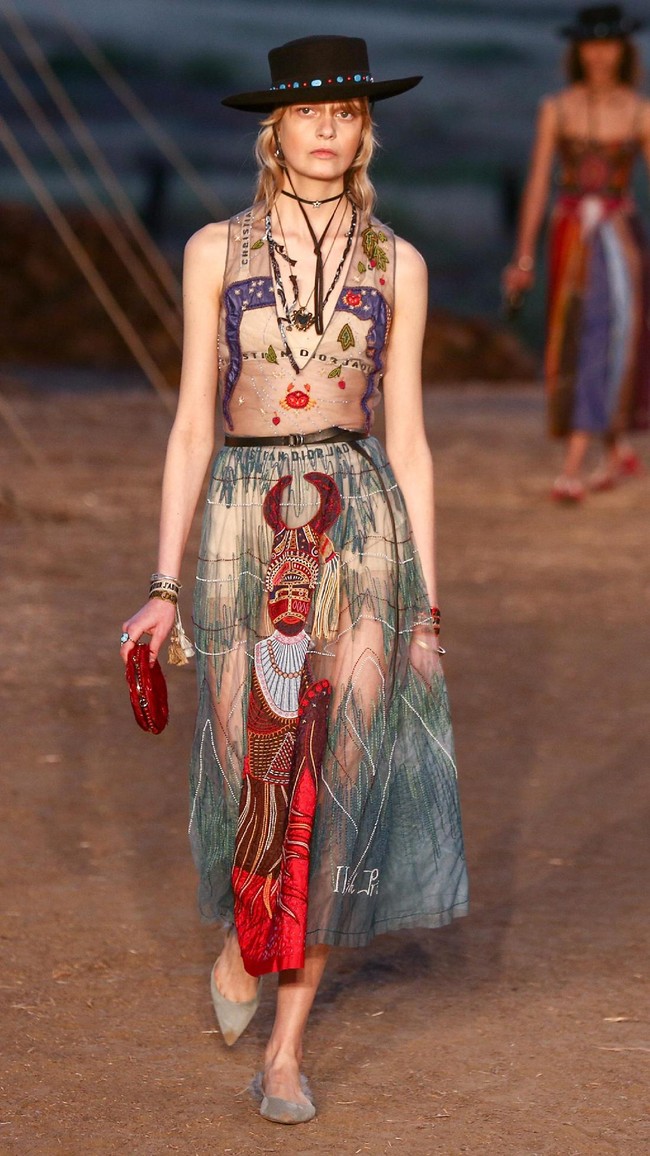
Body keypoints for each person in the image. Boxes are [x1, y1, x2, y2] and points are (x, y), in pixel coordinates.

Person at [121, 35, 468, 1126]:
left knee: (344, 771)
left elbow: (407, 440)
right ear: (273, 129)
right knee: (250, 775)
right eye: (310, 109)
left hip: (360, 521)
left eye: (350, 110)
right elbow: (187, 424)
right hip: (242, 515)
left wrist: (423, 604)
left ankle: (284, 1047)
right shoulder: (213, 250)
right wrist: (161, 585)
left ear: (365, 131)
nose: (330, 124)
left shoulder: (396, 261)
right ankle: (242, 931)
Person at [503, 4, 650, 501]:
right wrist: (523, 257)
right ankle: (614, 449)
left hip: (619, 241)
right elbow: (538, 186)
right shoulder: (557, 108)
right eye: (592, 43)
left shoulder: (639, 111)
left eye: (609, 43)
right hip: (568, 239)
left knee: (607, 332)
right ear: (579, 50)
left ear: (623, 50)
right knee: (579, 334)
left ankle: (575, 461)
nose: (601, 54)